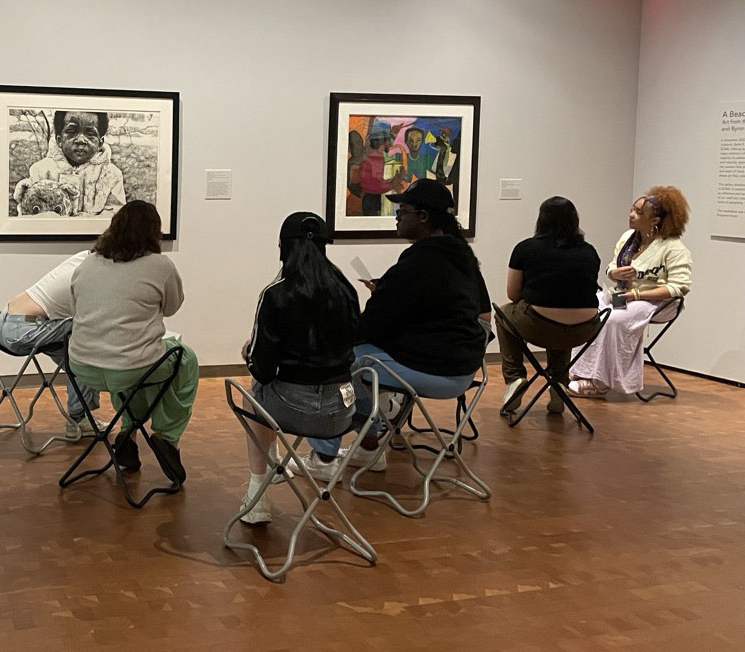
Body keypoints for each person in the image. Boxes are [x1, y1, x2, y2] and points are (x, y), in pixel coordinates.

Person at [326, 179, 490, 472]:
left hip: (436, 370)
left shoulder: (420, 262)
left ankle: (355, 447)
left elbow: (373, 324)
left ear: (424, 217)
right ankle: (379, 421)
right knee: (366, 355)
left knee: (345, 361)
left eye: (402, 211)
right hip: (463, 369)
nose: (397, 217)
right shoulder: (461, 257)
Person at [238, 212, 359, 524]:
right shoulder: (346, 291)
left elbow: (262, 370)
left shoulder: (276, 293)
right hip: (341, 412)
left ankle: (258, 495)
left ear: (281, 246)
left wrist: (249, 354)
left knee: (253, 394)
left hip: (293, 410)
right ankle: (276, 462)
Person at [68, 200, 197, 482]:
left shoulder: (88, 262)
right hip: (130, 366)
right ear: (154, 232)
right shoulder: (160, 265)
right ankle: (167, 436)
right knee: (182, 359)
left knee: (135, 367)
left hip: (83, 367)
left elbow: (76, 305)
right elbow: (172, 307)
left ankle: (128, 430)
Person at [569, 187, 692, 397]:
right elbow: (610, 267)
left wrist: (637, 295)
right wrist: (615, 272)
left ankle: (599, 382)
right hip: (623, 294)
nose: (631, 215)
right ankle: (578, 372)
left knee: (613, 319)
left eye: (638, 212)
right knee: (586, 308)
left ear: (655, 220)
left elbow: (679, 287)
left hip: (657, 302)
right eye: (632, 209)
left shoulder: (673, 248)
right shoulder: (628, 238)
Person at [495, 197, 602, 414]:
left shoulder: (525, 249)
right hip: (584, 328)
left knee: (503, 313)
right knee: (563, 322)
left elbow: (513, 294)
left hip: (538, 325)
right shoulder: (589, 251)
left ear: (541, 220)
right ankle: (558, 383)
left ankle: (515, 378)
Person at [0, 251, 100, 434]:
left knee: (78, 356)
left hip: (6, 320)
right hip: (22, 329)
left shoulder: (84, 257)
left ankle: (80, 416)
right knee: (87, 343)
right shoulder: (93, 274)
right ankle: (78, 418)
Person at [15, 111, 125, 216]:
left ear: (100, 142)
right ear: (59, 140)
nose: (81, 139)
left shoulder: (112, 175)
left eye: (90, 134)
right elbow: (28, 213)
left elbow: (116, 216)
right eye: (72, 132)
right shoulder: (41, 170)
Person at [358, 121, 405, 216]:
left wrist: (394, 180)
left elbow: (378, 181)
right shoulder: (376, 159)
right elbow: (376, 186)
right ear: (383, 141)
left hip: (373, 199)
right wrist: (395, 182)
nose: (392, 142)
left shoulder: (376, 157)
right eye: (390, 139)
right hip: (371, 200)